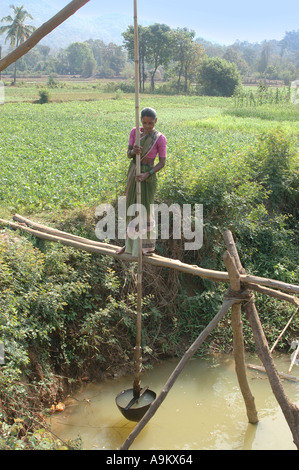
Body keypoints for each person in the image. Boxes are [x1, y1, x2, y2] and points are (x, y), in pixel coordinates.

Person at [117, 107, 167, 256]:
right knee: (131, 207)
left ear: (155, 121)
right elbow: (128, 154)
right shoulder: (134, 133)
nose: (147, 126)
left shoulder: (159, 138)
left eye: (150, 123)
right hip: (134, 172)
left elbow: (162, 162)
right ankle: (128, 245)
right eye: (144, 123)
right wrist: (134, 152)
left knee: (145, 211)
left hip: (148, 177)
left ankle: (144, 247)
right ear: (141, 121)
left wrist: (147, 174)